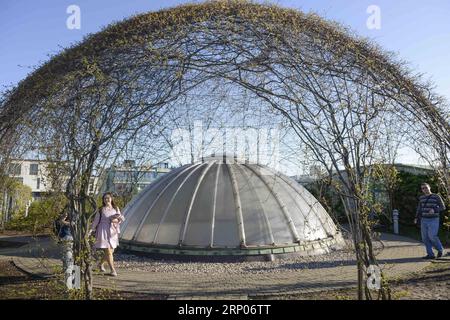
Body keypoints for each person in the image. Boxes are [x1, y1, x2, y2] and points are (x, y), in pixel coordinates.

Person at [90, 192, 125, 276]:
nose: (106, 200)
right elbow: (96, 221)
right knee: (109, 252)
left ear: (111, 198)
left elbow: (121, 219)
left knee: (110, 252)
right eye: (105, 198)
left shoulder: (115, 208)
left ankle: (100, 264)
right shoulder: (101, 209)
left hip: (113, 232)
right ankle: (113, 270)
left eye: (108, 198)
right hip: (103, 231)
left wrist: (116, 219)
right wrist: (91, 230)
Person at [414, 183, 446, 259]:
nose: (424, 189)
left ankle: (440, 249)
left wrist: (434, 210)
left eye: (425, 187)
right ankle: (430, 254)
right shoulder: (421, 198)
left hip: (434, 219)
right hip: (423, 219)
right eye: (422, 188)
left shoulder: (436, 196)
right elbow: (419, 208)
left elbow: (443, 207)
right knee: (425, 238)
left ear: (429, 187)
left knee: (432, 236)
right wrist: (416, 217)